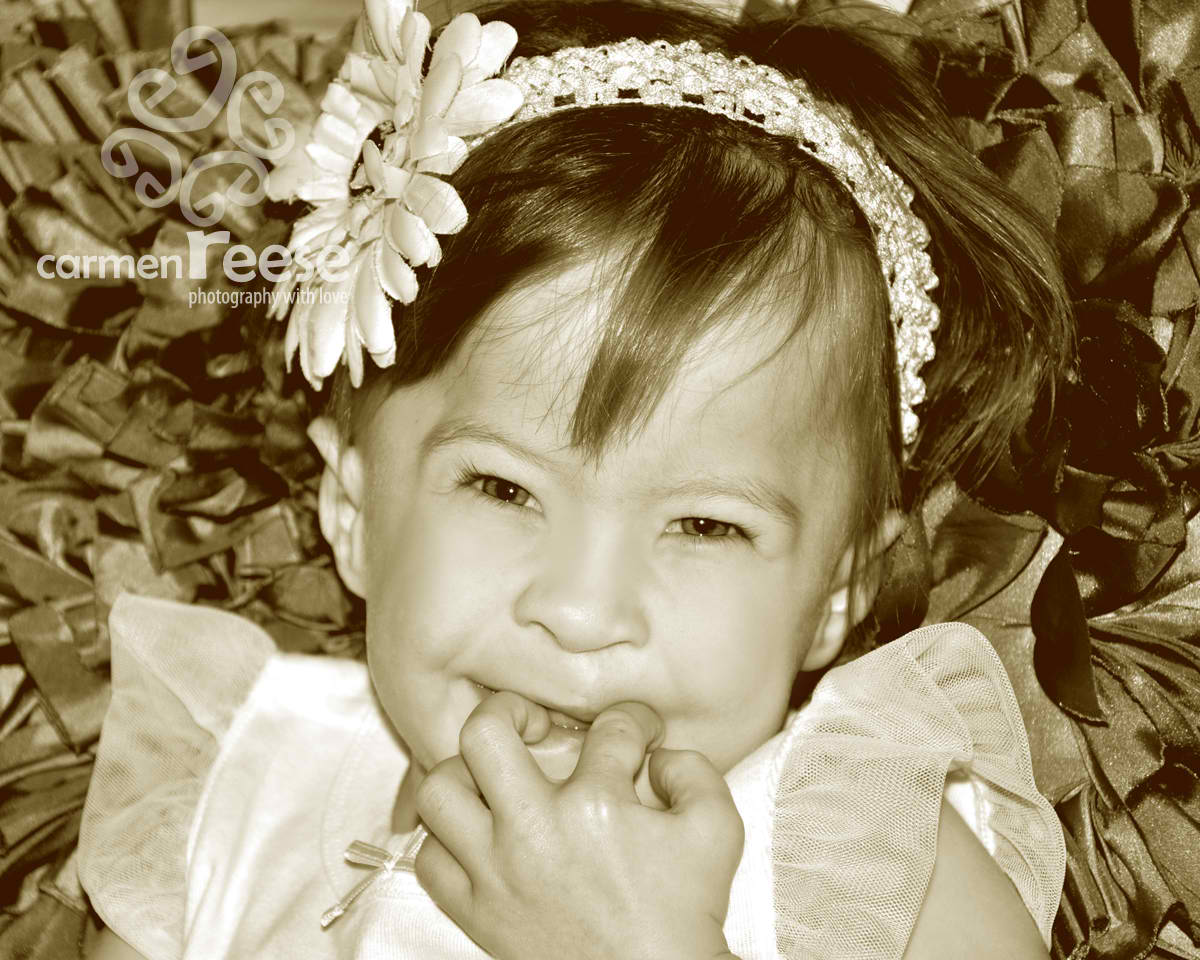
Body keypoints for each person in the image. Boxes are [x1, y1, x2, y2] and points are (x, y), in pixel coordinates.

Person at [78, 0, 1073, 957]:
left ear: (837, 591)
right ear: (352, 508)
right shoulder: (239, 787)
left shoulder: (868, 856)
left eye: (706, 526)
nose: (582, 610)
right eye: (503, 489)